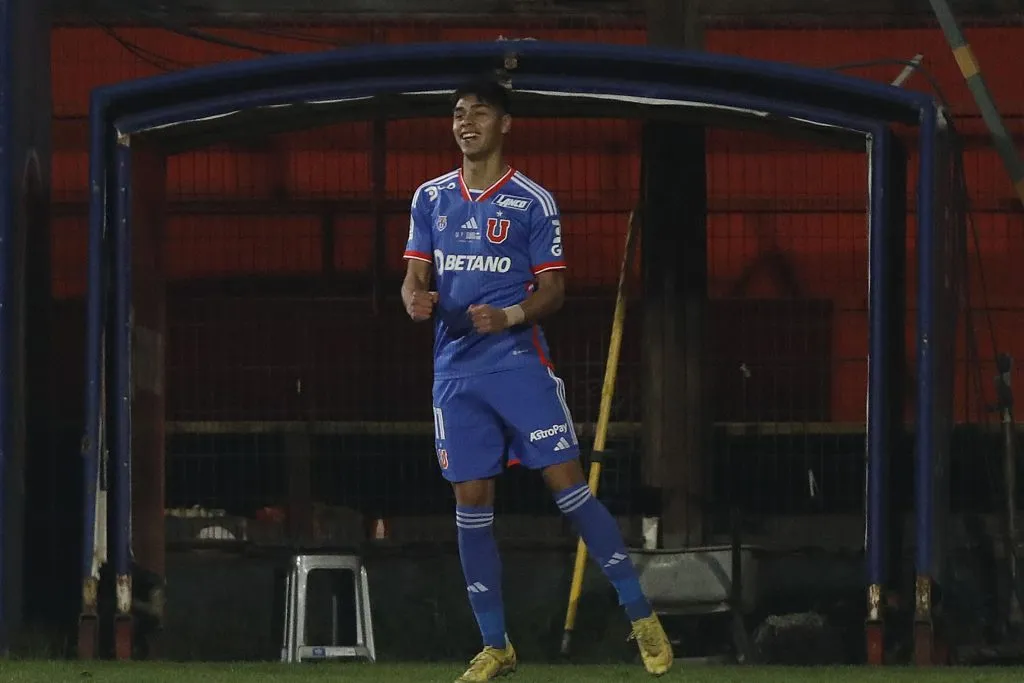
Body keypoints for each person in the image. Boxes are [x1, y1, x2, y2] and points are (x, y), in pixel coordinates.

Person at [401, 79, 673, 682]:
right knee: (471, 501)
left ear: (506, 124)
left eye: (479, 112)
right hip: (454, 372)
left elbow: (554, 290)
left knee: (568, 487)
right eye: (457, 112)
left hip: (519, 363)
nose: (465, 121)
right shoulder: (430, 197)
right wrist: (413, 299)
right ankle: (496, 645)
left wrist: (509, 316)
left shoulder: (532, 201)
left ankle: (640, 614)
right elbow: (413, 278)